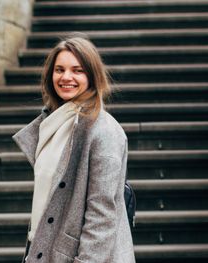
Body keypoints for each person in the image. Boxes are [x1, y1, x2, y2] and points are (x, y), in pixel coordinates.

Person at [13, 34, 135, 263]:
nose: (66, 77)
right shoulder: (54, 125)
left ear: (92, 76)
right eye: (59, 69)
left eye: (77, 70)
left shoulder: (103, 131)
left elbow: (101, 217)